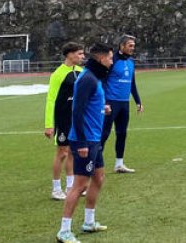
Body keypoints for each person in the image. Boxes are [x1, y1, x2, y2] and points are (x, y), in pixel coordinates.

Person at [56, 43, 114, 243]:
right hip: (85, 140)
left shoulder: (93, 77)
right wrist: (80, 142)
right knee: (80, 185)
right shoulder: (87, 78)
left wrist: (102, 109)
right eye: (110, 58)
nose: (111, 62)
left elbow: (89, 105)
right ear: (101, 59)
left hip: (94, 138)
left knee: (98, 178)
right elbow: (77, 110)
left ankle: (88, 222)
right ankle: (64, 231)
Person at [45, 42, 84, 200]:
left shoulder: (81, 72)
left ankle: (70, 187)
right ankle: (56, 189)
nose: (82, 57)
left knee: (73, 153)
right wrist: (49, 124)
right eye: (79, 54)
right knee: (62, 153)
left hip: (76, 118)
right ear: (69, 54)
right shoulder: (58, 74)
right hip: (63, 118)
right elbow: (50, 99)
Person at [101, 34, 142, 174]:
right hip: (111, 102)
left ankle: (119, 164)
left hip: (124, 103)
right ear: (122, 46)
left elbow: (132, 83)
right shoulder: (113, 61)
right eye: (130, 45)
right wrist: (105, 101)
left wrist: (138, 101)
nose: (132, 48)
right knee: (104, 133)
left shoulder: (131, 62)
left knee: (122, 133)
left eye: (133, 46)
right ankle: (95, 163)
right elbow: (103, 81)